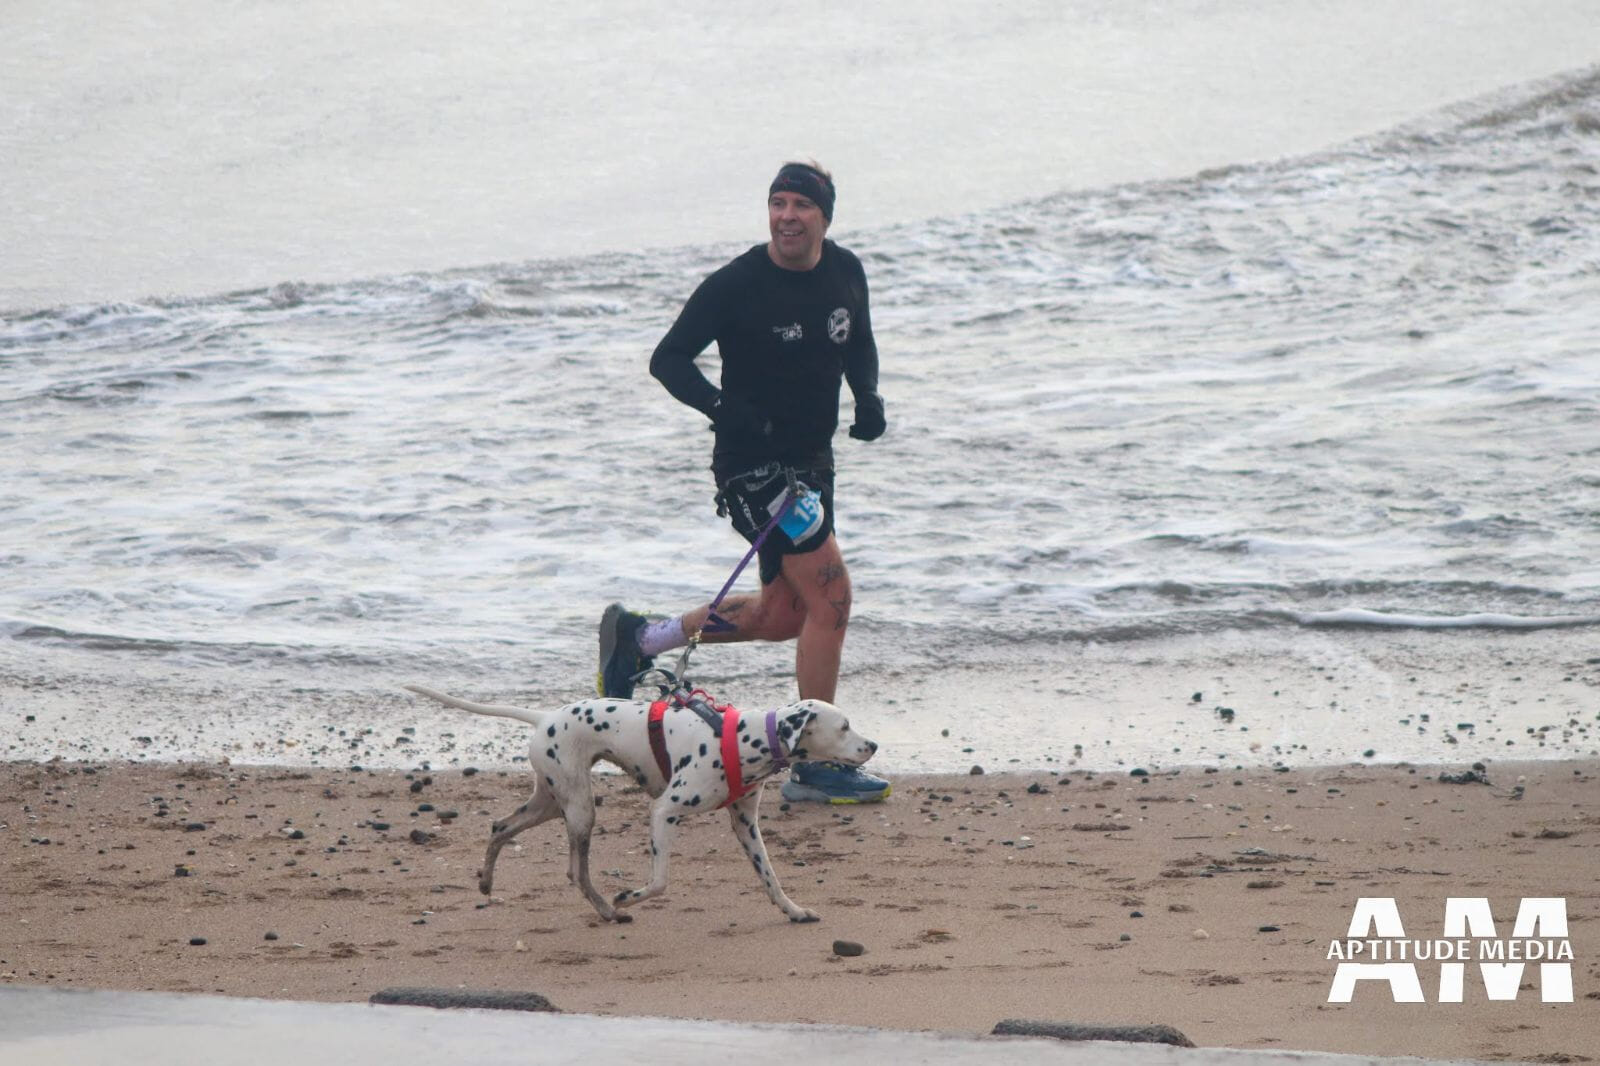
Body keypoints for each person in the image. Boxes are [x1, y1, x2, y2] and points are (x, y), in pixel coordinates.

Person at [597, 159, 890, 804]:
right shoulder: (736, 284)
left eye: (801, 206)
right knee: (833, 601)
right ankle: (817, 764)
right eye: (777, 203)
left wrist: (867, 397)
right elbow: (667, 360)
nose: (787, 216)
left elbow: (859, 340)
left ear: (824, 217)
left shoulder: (846, 270)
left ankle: (640, 639)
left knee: (788, 614)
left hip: (813, 464)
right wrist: (722, 408)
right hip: (754, 469)